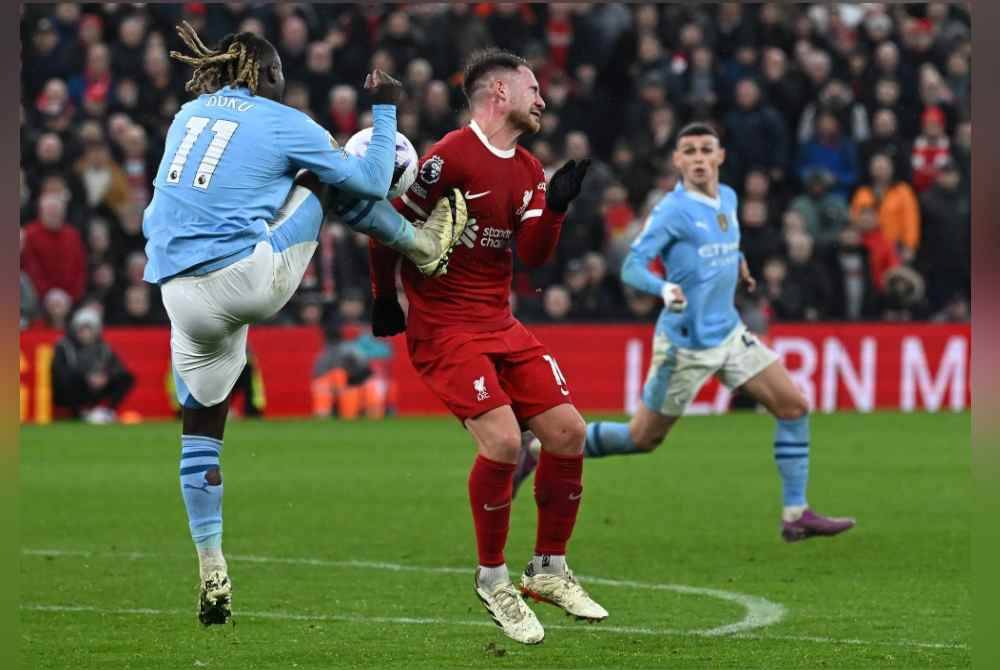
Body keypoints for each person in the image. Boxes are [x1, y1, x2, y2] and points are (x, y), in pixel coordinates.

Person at [144, 22, 468, 627]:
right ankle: (422, 247)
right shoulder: (280, 118)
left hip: (176, 292)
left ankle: (212, 564)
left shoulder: (185, 116)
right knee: (332, 171)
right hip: (245, 278)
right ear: (265, 76)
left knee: (202, 430)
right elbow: (371, 180)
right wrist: (386, 111)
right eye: (281, 78)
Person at [515, 123, 855, 543]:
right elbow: (632, 265)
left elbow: (726, 243)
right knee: (641, 438)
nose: (697, 157)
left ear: (719, 156)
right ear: (677, 161)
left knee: (793, 406)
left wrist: (741, 267)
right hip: (684, 346)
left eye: (705, 149)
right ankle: (534, 452)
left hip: (729, 334)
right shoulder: (672, 211)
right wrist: (663, 287)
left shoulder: (727, 198)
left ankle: (796, 514)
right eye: (688, 151)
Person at [367, 48, 606, 645]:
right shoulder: (449, 155)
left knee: (569, 431)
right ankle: (492, 577)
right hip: (444, 328)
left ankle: (548, 568)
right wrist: (383, 296)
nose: (542, 99)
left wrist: (555, 206)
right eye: (532, 88)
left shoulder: (527, 169)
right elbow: (390, 225)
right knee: (503, 441)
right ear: (499, 93)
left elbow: (532, 257)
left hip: (499, 322)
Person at [51, 307, 135, 423]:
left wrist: (106, 377)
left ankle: (108, 412)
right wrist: (86, 377)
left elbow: (118, 367)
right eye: (82, 329)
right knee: (68, 380)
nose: (86, 334)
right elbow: (59, 372)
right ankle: (77, 414)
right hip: (73, 389)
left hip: (97, 386)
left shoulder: (103, 347)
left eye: (89, 329)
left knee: (127, 377)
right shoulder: (64, 346)